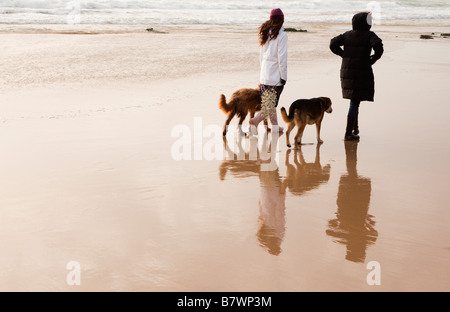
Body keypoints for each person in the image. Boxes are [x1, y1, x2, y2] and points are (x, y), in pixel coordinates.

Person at [330, 12, 384, 141]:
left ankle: (355, 128)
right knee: (354, 102)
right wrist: (373, 59)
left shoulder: (347, 35)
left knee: (355, 100)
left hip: (347, 71)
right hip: (361, 71)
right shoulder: (369, 35)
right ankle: (348, 133)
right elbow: (378, 46)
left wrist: (343, 54)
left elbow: (332, 44)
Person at [250, 8, 287, 135]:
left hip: (265, 74)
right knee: (270, 104)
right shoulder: (282, 35)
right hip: (275, 76)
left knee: (269, 103)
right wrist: (284, 76)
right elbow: (282, 58)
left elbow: (261, 56)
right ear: (281, 19)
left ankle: (275, 127)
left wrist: (261, 76)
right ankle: (255, 120)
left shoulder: (266, 33)